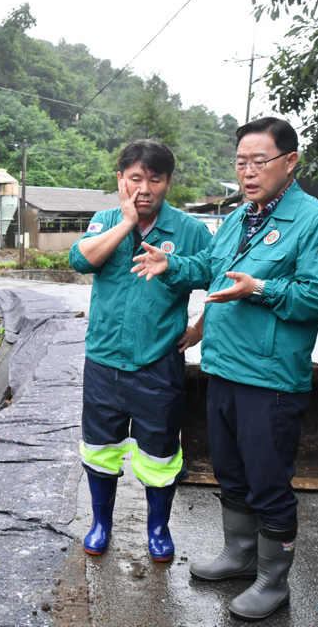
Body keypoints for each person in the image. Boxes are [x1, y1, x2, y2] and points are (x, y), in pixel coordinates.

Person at [130, 118, 318, 621]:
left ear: (290, 162)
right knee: (229, 470)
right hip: (222, 368)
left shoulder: (316, 220)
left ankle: (274, 581)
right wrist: (171, 264)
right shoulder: (239, 217)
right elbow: (209, 267)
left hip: (270, 377)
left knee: (268, 479)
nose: (249, 173)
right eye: (241, 162)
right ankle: (238, 555)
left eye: (260, 161)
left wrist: (261, 289)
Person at [69, 138, 212, 562]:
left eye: (154, 179)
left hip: (158, 364)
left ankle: (158, 530)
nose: (144, 188)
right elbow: (81, 260)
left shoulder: (188, 230)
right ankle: (100, 524)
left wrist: (202, 325)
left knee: (160, 453)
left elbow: (218, 276)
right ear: (121, 180)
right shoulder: (105, 220)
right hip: (104, 361)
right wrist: (126, 222)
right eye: (135, 179)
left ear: (168, 182)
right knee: (99, 448)